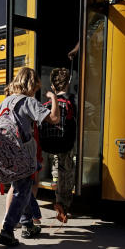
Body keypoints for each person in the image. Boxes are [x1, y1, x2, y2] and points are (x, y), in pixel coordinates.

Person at [0, 67, 59, 247]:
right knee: (23, 190)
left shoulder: (5, 101)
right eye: (35, 88)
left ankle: (28, 224)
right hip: (21, 153)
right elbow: (54, 119)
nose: (35, 91)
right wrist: (53, 98)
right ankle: (7, 230)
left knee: (22, 187)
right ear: (31, 84)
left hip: (4, 152)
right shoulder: (28, 101)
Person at [43, 67, 76, 223]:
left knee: (56, 168)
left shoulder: (47, 103)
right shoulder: (71, 102)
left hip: (50, 144)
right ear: (68, 83)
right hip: (65, 144)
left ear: (52, 86)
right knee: (67, 172)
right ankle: (64, 204)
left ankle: (57, 193)